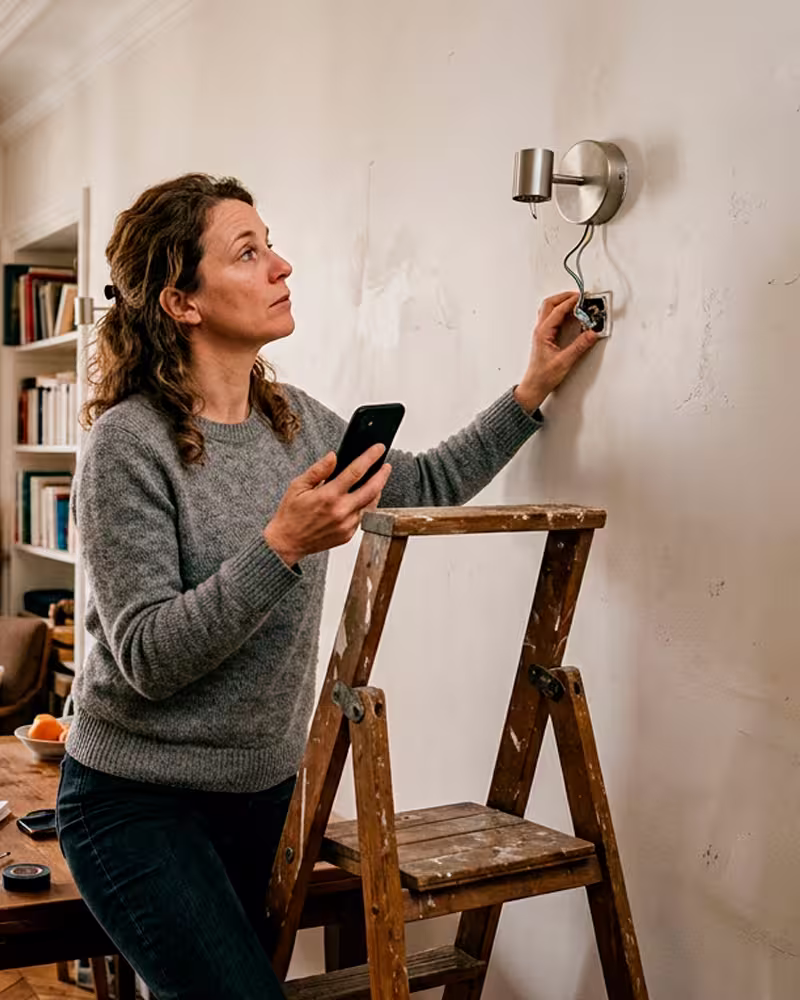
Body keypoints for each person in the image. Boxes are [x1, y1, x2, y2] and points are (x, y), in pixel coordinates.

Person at [56, 173, 598, 1000]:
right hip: (135, 805)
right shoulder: (128, 445)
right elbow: (148, 658)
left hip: (265, 796)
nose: (283, 265)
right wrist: (281, 546)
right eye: (250, 251)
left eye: (270, 243)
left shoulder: (292, 420)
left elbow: (425, 481)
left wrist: (531, 390)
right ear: (181, 301)